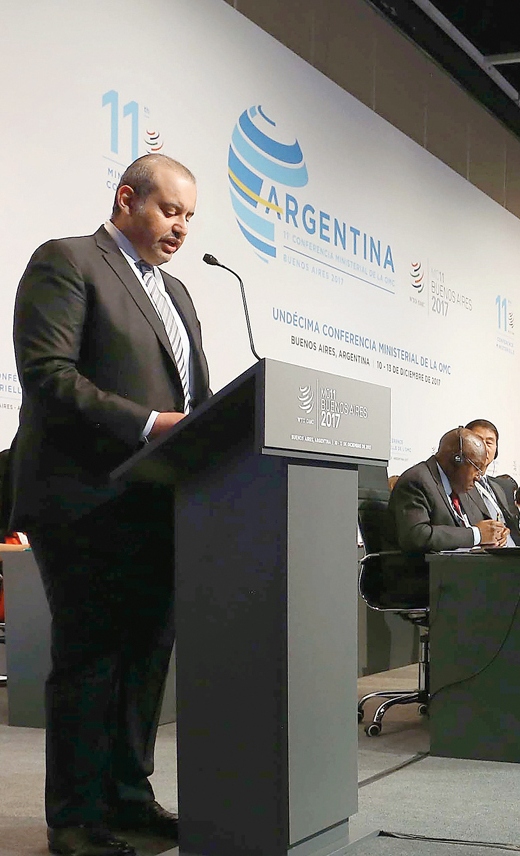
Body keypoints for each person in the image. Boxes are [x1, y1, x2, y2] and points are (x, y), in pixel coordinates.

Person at [11, 154, 211, 855]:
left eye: (190, 215)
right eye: (170, 210)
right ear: (127, 199)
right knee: (92, 657)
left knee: (148, 654)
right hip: (83, 495)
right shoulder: (67, 261)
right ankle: (75, 817)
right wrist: (151, 424)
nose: (181, 226)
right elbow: (48, 377)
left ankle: (129, 795)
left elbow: (194, 402)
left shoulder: (179, 292)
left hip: (159, 503)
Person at [389, 428, 508, 552]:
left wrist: (495, 535)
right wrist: (476, 535)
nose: (478, 477)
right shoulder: (417, 481)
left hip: (460, 565)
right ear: (457, 460)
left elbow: (476, 528)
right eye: (477, 468)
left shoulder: (461, 486)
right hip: (425, 568)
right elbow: (416, 536)